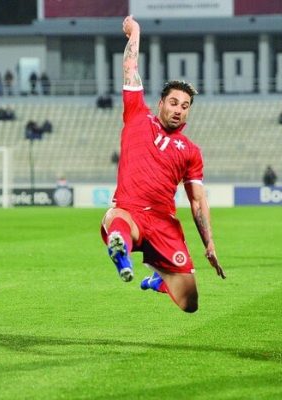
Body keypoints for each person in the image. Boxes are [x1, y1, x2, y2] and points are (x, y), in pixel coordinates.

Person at [100, 15, 225, 314]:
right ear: (161, 103)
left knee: (190, 303)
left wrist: (209, 243)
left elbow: (197, 202)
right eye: (173, 103)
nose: (179, 110)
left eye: (185, 106)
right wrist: (135, 33)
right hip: (130, 212)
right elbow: (130, 68)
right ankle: (122, 254)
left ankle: (159, 280)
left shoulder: (191, 151)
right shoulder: (136, 114)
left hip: (163, 224)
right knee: (116, 219)